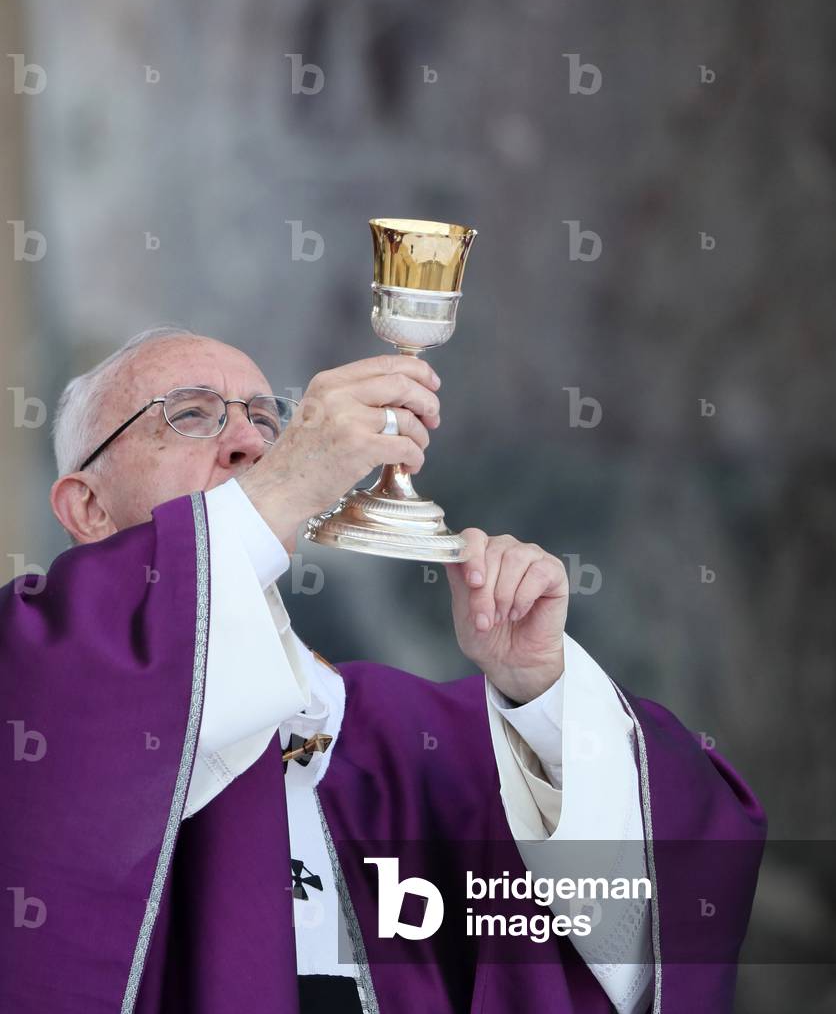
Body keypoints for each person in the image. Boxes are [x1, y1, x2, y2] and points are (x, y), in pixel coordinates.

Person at [0, 326, 767, 1014]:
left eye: (268, 421)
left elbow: (673, 885)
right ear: (87, 507)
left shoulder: (410, 736)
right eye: (191, 414)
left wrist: (541, 694)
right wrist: (286, 484)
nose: (247, 443)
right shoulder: (34, 670)